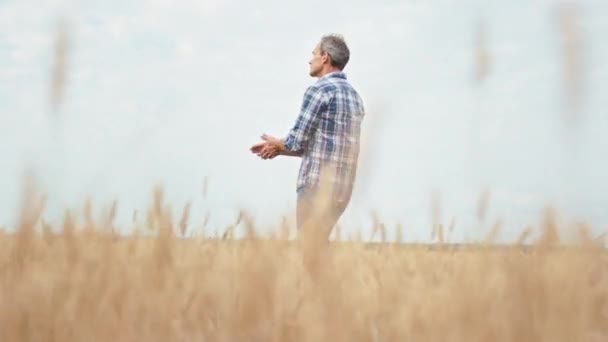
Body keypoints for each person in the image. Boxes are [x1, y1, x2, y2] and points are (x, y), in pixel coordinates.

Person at [250, 34, 365, 253]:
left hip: (315, 186)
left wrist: (279, 144)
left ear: (324, 57)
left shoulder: (319, 90)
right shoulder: (355, 98)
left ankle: (328, 288)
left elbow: (296, 141)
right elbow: (320, 146)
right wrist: (278, 149)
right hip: (342, 189)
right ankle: (340, 287)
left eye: (313, 54)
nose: (309, 59)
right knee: (318, 247)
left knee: (309, 252)